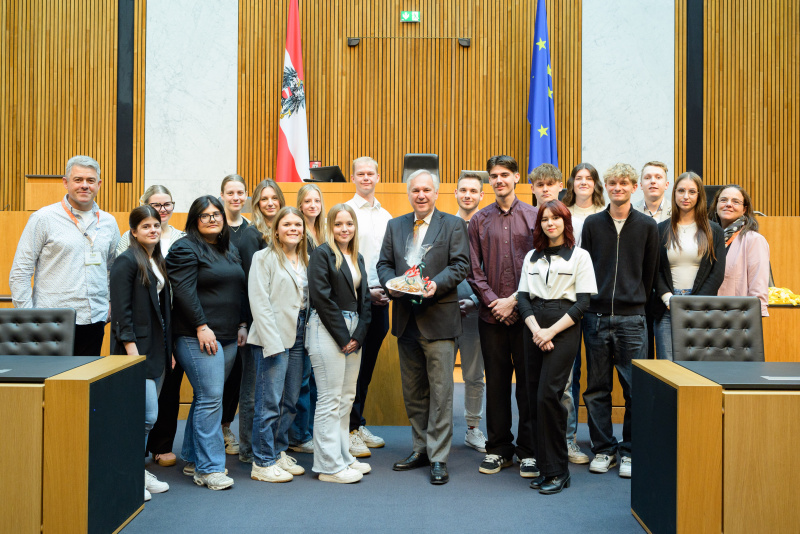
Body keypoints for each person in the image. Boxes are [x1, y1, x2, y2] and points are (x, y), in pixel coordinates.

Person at [378, 169, 470, 485]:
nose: (421, 195)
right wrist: (392, 284)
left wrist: (435, 284)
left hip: (440, 321)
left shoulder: (453, 225)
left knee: (442, 392)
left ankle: (439, 457)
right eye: (415, 190)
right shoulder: (395, 225)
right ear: (409, 193)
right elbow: (383, 265)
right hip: (406, 320)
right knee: (414, 392)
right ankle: (421, 449)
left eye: (426, 190)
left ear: (436, 193)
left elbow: (461, 265)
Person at [580, 163, 660, 479]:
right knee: (597, 389)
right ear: (607, 187)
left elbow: (651, 272)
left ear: (633, 187)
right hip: (596, 319)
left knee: (634, 390)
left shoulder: (647, 226)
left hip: (632, 320)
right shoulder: (592, 225)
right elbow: (584, 269)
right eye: (612, 183)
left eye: (624, 183)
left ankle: (629, 451)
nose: (618, 188)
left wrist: (637, 304)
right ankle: (603, 449)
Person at [167, 195, 247, 490]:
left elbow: (238, 290)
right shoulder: (185, 248)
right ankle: (209, 468)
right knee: (212, 398)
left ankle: (191, 457)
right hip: (195, 336)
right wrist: (202, 326)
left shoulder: (229, 249)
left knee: (206, 397)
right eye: (205, 215)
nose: (212, 219)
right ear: (194, 221)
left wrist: (241, 323)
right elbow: (184, 292)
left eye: (217, 214)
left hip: (227, 336)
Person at [518, 200, 597, 494]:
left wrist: (550, 331)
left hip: (563, 329)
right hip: (533, 329)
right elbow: (523, 297)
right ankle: (544, 465)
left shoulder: (580, 256)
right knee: (534, 398)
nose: (550, 223)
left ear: (566, 221)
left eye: (556, 218)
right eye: (545, 219)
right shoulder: (532, 257)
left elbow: (583, 303)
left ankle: (559, 471)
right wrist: (537, 330)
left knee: (550, 396)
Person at [468, 156, 539, 479]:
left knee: (527, 384)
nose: (499, 180)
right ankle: (499, 449)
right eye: (493, 176)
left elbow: (540, 266)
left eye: (504, 175)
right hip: (490, 316)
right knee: (496, 384)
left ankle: (528, 451)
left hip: (527, 316)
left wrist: (514, 302)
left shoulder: (535, 217)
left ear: (516, 177)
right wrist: (496, 303)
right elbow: (474, 269)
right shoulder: (479, 220)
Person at [10, 155, 120, 356]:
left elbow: (113, 267)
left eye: (90, 180)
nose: (84, 186)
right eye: (78, 180)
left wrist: (111, 303)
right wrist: (29, 317)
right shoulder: (43, 218)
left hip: (94, 318)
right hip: (51, 321)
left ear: (99, 184)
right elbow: (20, 271)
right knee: (50, 384)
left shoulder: (109, 222)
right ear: (66, 182)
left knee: (84, 383)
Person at [110, 205, 172, 502]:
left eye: (156, 226)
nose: (153, 231)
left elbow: (162, 311)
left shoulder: (156, 259)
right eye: (146, 226)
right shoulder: (126, 261)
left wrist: (168, 349)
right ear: (133, 231)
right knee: (144, 416)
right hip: (136, 352)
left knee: (147, 416)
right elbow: (121, 313)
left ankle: (136, 469)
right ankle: (128, 475)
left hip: (157, 350)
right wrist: (132, 352)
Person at [307, 204, 372, 483]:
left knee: (346, 399)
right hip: (327, 328)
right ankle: (327, 466)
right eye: (338, 224)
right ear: (329, 227)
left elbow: (365, 300)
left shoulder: (356, 256)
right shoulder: (322, 254)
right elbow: (321, 298)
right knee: (330, 399)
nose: (344, 229)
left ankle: (343, 456)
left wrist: (359, 335)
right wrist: (345, 337)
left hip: (353, 328)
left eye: (349, 223)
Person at [248, 207, 309, 483]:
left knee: (290, 400)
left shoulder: (308, 259)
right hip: (272, 337)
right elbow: (259, 302)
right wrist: (272, 344)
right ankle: (262, 460)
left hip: (300, 337)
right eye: (287, 224)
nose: (293, 228)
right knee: (269, 401)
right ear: (276, 230)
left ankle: (278, 451)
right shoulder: (263, 258)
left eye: (298, 224)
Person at [345, 157, 392, 457]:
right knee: (350, 367)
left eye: (370, 173)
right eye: (360, 174)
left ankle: (356, 422)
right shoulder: (346, 213)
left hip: (381, 299)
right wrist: (365, 293)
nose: (365, 178)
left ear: (378, 176)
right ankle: (347, 429)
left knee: (367, 366)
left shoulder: (387, 216)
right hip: (354, 299)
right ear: (352, 178)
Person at [236, 178, 285, 463]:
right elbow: (246, 285)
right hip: (255, 324)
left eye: (274, 198)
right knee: (253, 389)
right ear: (256, 204)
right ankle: (247, 448)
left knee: (271, 392)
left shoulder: (282, 232)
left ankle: (265, 445)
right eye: (264, 199)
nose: (269, 203)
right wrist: (244, 323)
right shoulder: (250, 236)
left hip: (280, 322)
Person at [654, 172, 725, 360]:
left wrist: (695, 303)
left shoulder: (714, 231)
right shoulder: (660, 229)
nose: (686, 196)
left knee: (697, 369)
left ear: (699, 195)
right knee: (667, 369)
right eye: (681, 191)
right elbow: (655, 270)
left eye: (692, 191)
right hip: (667, 307)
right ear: (674, 194)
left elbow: (717, 273)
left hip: (701, 308)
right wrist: (668, 297)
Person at [561, 163, 605, 465]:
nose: (584, 183)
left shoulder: (606, 212)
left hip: (600, 302)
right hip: (568, 300)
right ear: (571, 184)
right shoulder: (563, 212)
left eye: (589, 179)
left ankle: (602, 440)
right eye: (579, 178)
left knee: (598, 374)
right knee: (570, 373)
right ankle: (568, 438)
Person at [288, 183, 326, 454]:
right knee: (301, 378)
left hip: (320, 314)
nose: (313, 205)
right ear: (300, 205)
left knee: (315, 378)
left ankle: (309, 430)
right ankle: (299, 435)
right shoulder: (298, 233)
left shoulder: (324, 231)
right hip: (302, 313)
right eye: (308, 201)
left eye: (317, 200)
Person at [453, 173, 488, 452]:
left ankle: (473, 428)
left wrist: (476, 300)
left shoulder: (487, 226)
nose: (468, 195)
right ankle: (437, 432)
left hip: (476, 312)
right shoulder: (442, 225)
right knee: (439, 376)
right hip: (442, 313)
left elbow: (493, 272)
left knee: (474, 374)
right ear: (455, 193)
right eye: (463, 190)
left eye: (473, 191)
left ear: (481, 196)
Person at [219, 174, 251, 457]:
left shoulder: (251, 231)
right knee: (216, 378)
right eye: (230, 193)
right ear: (222, 196)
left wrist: (244, 321)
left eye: (240, 192)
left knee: (236, 377)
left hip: (242, 317)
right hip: (216, 316)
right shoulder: (214, 227)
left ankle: (226, 427)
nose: (236, 197)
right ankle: (211, 429)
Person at [710, 185, 770, 316]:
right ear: (716, 205)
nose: (728, 204)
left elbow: (758, 287)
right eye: (723, 200)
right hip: (707, 316)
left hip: (738, 318)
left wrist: (753, 317)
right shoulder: (708, 238)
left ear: (744, 209)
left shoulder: (754, 240)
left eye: (735, 201)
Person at [635, 161, 671, 360]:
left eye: (658, 177)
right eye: (647, 178)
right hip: (641, 293)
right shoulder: (631, 214)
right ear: (640, 184)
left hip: (669, 292)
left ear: (666, 184)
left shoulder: (678, 214)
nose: (653, 182)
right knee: (644, 356)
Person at [116, 185, 184, 255]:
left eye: (167, 204)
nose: (163, 210)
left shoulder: (182, 237)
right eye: (157, 205)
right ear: (145, 206)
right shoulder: (129, 237)